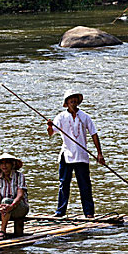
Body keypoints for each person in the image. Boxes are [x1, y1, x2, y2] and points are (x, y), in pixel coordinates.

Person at [47, 90, 105, 218]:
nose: (73, 102)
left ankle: (89, 212)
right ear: (67, 103)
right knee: (64, 184)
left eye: (75, 99)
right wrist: (50, 127)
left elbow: (94, 134)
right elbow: (51, 133)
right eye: (70, 100)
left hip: (81, 155)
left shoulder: (84, 117)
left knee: (85, 185)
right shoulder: (61, 117)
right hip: (66, 154)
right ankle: (60, 212)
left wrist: (99, 153)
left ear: (78, 101)